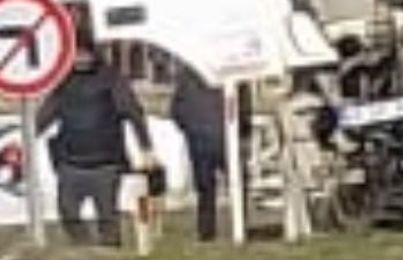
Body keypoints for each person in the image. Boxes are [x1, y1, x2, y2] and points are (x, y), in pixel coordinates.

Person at [37, 41, 154, 246]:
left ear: (94, 54)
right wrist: (28, 135)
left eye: (85, 54)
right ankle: (85, 248)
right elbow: (45, 116)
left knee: (107, 216)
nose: (81, 59)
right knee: (68, 214)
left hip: (106, 163)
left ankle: (109, 253)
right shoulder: (63, 83)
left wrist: (145, 146)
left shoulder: (111, 80)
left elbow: (133, 112)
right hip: (70, 162)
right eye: (77, 54)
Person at [171, 64, 251, 241]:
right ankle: (239, 226)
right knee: (236, 183)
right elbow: (245, 107)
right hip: (222, 137)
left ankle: (207, 231)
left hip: (203, 138)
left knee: (206, 189)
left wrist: (190, 129)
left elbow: (176, 110)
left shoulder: (187, 75)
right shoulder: (232, 71)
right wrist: (243, 130)